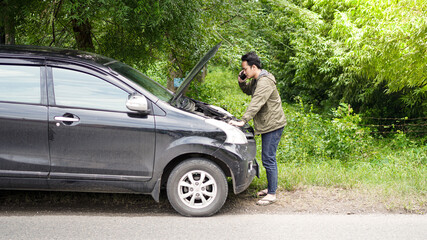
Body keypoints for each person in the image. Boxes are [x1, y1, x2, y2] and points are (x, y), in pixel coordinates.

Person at [229, 52, 287, 206]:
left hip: (273, 125)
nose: (244, 71)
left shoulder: (265, 82)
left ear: (253, 67)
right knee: (267, 157)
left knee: (269, 158)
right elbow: (249, 91)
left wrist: (243, 120)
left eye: (245, 69)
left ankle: (272, 193)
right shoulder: (257, 79)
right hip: (267, 123)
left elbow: (257, 102)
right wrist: (242, 81)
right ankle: (271, 188)